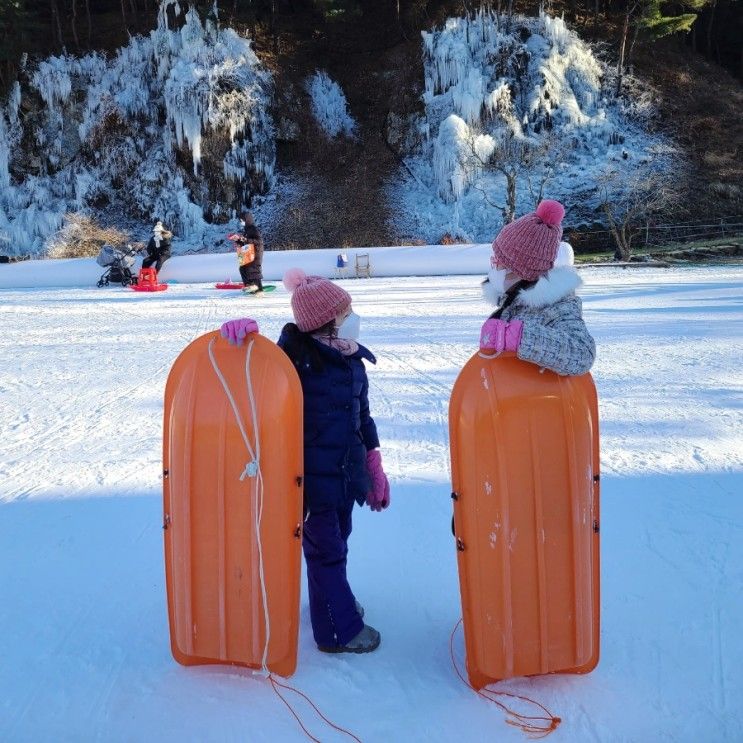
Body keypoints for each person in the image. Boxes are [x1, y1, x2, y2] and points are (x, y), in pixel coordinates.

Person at [220, 268, 390, 654]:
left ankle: (331, 605)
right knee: (325, 553)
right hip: (310, 488)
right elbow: (251, 387)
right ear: (327, 324)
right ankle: (339, 631)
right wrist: (241, 347)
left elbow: (362, 419)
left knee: (335, 549)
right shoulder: (293, 365)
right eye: (346, 313)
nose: (353, 319)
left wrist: (373, 467)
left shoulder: (352, 362)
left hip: (345, 478)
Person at [479, 200, 595, 376]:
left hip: (545, 401)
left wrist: (518, 337)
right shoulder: (513, 301)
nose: (492, 268)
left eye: (497, 262)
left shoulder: (556, 307)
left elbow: (582, 354)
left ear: (520, 270)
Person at [232, 212, 264, 294]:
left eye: (242, 220)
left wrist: (245, 239)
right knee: (243, 268)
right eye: (240, 220)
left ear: (247, 220)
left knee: (253, 269)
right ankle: (249, 285)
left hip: (256, 252)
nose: (241, 222)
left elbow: (259, 241)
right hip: (249, 252)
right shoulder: (247, 230)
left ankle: (258, 288)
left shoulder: (253, 229)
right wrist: (238, 241)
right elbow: (246, 242)